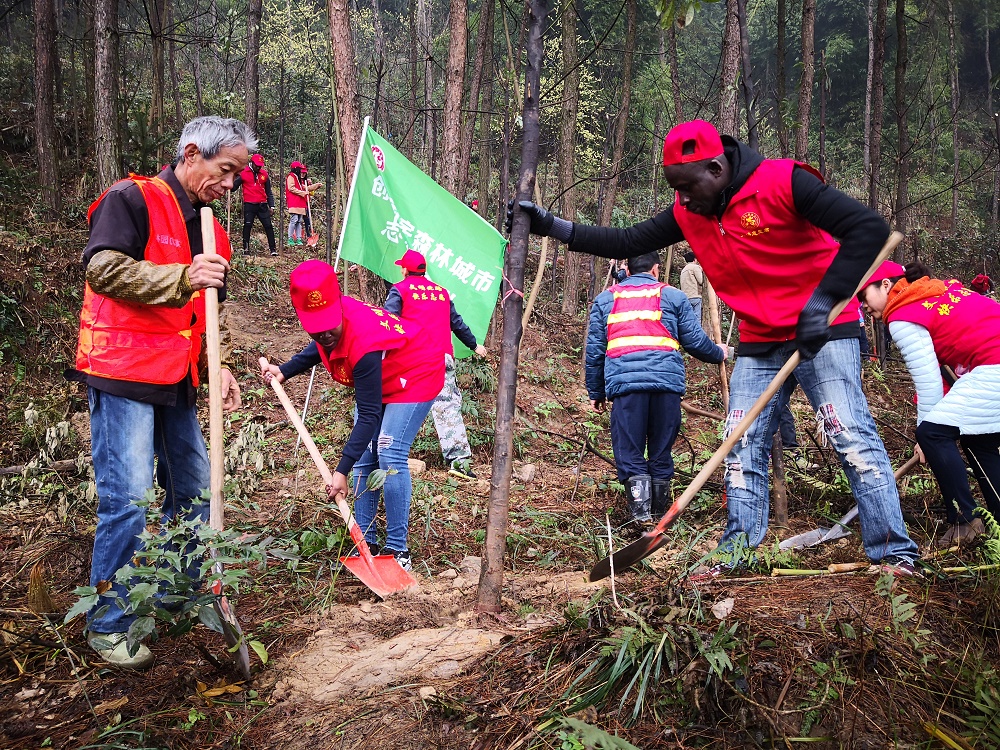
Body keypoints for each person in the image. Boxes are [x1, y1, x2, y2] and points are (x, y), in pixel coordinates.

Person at [511, 118, 920, 577]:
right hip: (761, 337)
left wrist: (822, 302)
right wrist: (553, 226)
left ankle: (894, 555)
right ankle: (735, 556)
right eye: (676, 189)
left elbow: (869, 229)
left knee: (849, 434)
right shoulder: (691, 211)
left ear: (716, 168)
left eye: (688, 187)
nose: (682, 199)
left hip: (823, 327)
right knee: (740, 443)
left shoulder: (784, 181)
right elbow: (627, 240)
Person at [68, 116, 253, 668]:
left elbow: (208, 313)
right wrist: (180, 278)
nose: (230, 185)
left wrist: (217, 365)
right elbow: (102, 268)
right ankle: (109, 624)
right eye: (226, 170)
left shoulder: (212, 230)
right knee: (128, 500)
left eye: (238, 176)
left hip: (177, 379)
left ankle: (183, 595)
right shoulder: (132, 199)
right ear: (192, 153)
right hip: (124, 373)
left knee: (194, 491)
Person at [260, 260, 444, 571]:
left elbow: (369, 416)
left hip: (417, 370)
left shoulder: (363, 340)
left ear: (338, 307)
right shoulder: (330, 326)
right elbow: (322, 346)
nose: (325, 334)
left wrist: (340, 471)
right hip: (384, 373)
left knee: (388, 450)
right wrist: (285, 370)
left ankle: (397, 550)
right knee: (364, 458)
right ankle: (366, 544)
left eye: (329, 325)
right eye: (316, 328)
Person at [860, 259, 1000, 547]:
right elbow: (942, 373)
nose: (862, 305)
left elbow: (928, 383)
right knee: (978, 439)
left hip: (993, 364)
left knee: (932, 433)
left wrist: (925, 436)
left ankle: (964, 521)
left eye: (864, 295)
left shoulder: (903, 312)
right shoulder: (930, 294)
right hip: (989, 365)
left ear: (885, 285)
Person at [587, 251, 727, 523]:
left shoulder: (606, 299)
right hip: (666, 387)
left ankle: (642, 519)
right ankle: (660, 517)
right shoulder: (673, 296)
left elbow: (595, 351)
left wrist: (596, 391)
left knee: (630, 450)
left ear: (627, 270)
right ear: (655, 269)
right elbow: (695, 342)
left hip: (626, 388)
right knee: (661, 451)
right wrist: (718, 353)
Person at [383, 248, 488, 480]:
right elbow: (457, 323)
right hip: (441, 357)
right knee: (448, 407)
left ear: (404, 270)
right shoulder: (441, 293)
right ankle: (459, 462)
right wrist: (474, 345)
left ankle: (388, 451)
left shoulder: (399, 290)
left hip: (410, 359)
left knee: (397, 400)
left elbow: (388, 321)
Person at [233, 153, 277, 256]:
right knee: (247, 225)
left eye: (260, 166)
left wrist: (271, 206)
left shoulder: (264, 174)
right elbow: (234, 187)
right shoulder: (243, 173)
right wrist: (230, 180)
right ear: (252, 163)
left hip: (262, 204)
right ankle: (246, 249)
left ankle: (273, 249)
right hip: (249, 204)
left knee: (268, 226)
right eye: (256, 165)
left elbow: (268, 191)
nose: (258, 167)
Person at [285, 161, 321, 246]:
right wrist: (302, 193)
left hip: (300, 203)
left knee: (299, 221)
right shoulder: (291, 176)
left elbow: (305, 188)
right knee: (294, 220)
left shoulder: (298, 179)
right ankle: (290, 238)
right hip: (294, 202)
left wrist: (316, 186)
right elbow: (291, 188)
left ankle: (298, 238)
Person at [678, 249, 705, 327]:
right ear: (695, 259)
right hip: (695, 296)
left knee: (688, 319)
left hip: (686, 297)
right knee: (697, 319)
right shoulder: (695, 267)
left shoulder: (684, 270)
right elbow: (701, 281)